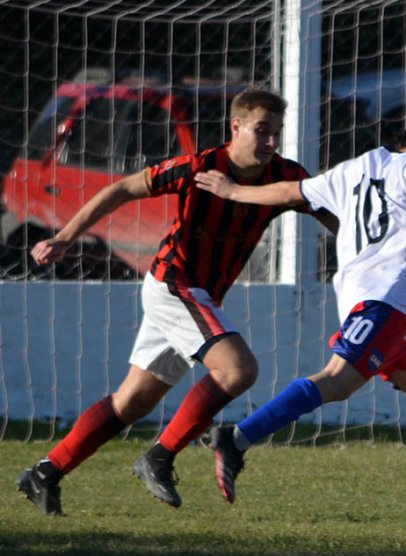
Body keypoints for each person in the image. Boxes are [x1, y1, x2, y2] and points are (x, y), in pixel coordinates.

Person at [16, 89, 332, 516]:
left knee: (133, 402)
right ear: (235, 127)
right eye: (262, 131)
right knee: (239, 369)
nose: (271, 142)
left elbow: (328, 214)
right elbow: (122, 189)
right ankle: (159, 457)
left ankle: (45, 472)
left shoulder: (283, 176)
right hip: (174, 285)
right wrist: (64, 237)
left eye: (276, 133)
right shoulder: (200, 167)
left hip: (199, 298)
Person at [193, 107, 406, 531]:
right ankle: (237, 438)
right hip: (383, 301)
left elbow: (290, 192)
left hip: (362, 302)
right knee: (336, 381)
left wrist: (233, 191)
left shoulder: (354, 167)